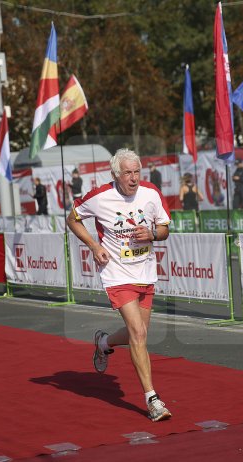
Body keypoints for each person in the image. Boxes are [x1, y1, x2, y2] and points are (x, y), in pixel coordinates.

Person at [67, 148, 172, 422]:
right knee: (137, 333)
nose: (134, 178)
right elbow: (72, 218)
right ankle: (153, 399)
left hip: (145, 272)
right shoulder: (100, 196)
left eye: (137, 172)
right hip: (116, 273)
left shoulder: (151, 193)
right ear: (116, 174)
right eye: (128, 173)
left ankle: (103, 342)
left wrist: (152, 234)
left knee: (139, 333)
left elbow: (165, 228)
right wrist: (93, 245)